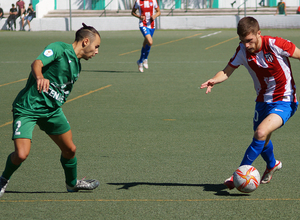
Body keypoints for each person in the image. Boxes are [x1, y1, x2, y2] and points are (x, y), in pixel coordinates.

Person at [0, 23, 101, 198]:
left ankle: (72, 184)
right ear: (86, 42)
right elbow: (37, 63)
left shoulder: (77, 65)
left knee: (70, 149)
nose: (97, 51)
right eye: (96, 46)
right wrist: (40, 77)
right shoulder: (59, 48)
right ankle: (3, 179)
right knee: (22, 154)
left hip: (52, 111)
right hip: (28, 108)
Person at [200, 17, 300, 190]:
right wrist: (214, 80)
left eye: (249, 40)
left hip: (285, 100)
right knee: (263, 139)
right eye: (242, 41)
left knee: (261, 132)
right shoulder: (242, 51)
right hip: (262, 101)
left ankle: (238, 173)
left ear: (258, 33)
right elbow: (227, 71)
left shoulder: (276, 44)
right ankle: (272, 164)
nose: (246, 45)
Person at [131, 0, 161, 73]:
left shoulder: (153, 1)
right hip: (143, 25)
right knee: (150, 42)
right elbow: (132, 12)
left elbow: (159, 12)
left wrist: (154, 16)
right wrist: (139, 17)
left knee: (146, 43)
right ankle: (145, 58)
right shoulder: (138, 1)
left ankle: (140, 61)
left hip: (151, 25)